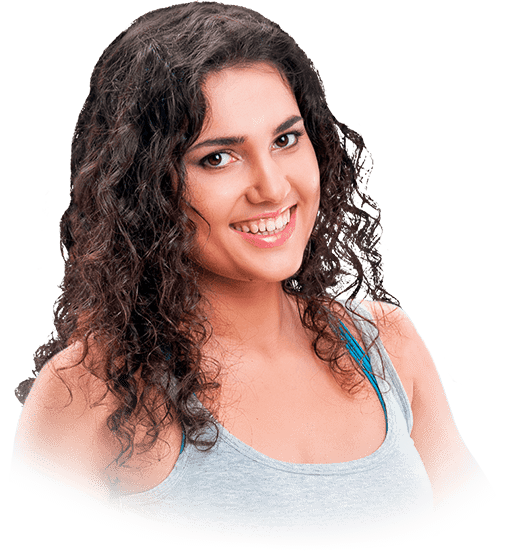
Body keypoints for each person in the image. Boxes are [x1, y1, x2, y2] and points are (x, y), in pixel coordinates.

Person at [10, 1, 494, 547]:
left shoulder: (386, 344)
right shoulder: (94, 390)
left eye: (286, 140)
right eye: (218, 158)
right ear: (142, 190)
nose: (272, 188)